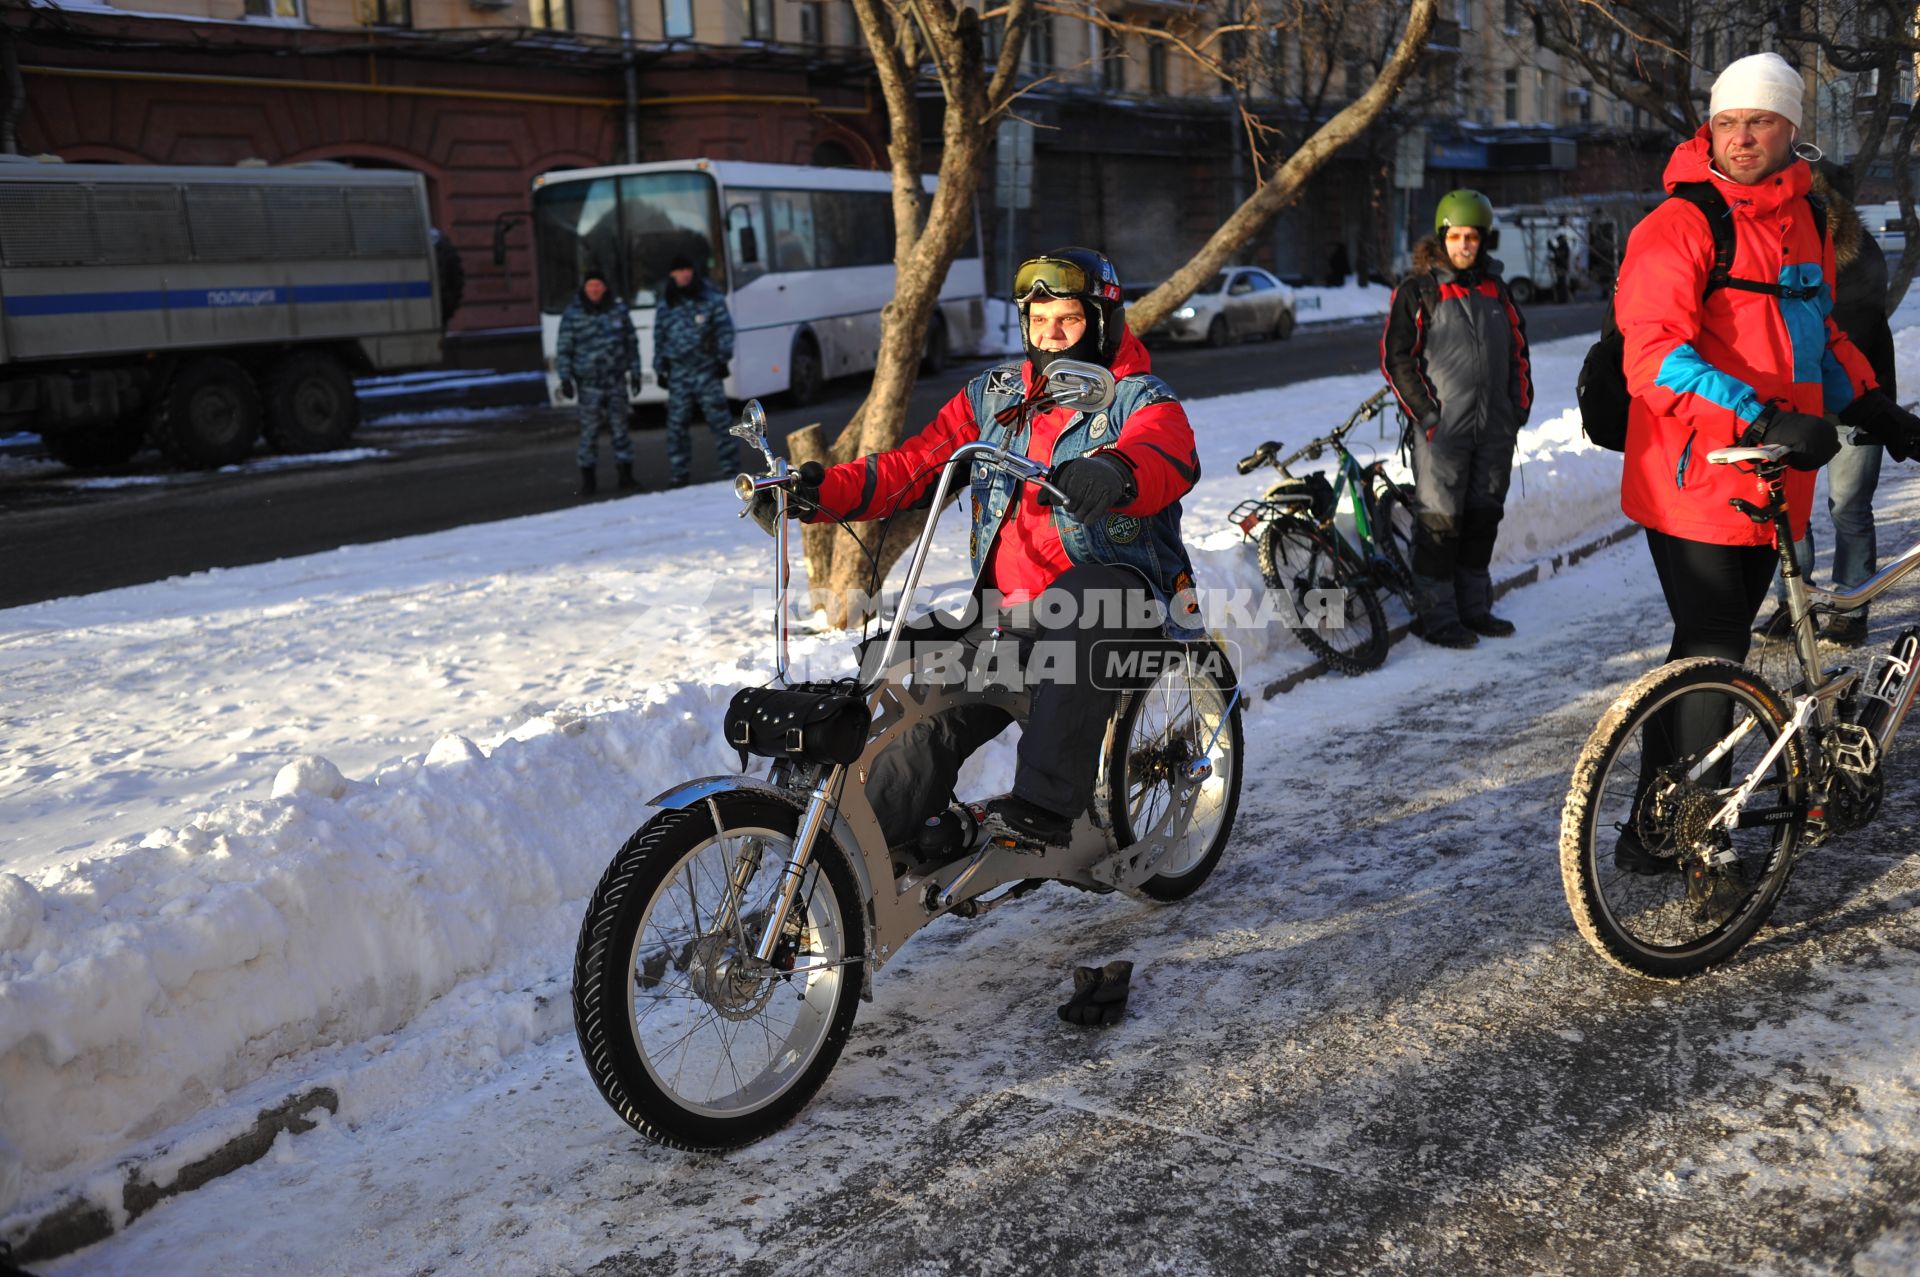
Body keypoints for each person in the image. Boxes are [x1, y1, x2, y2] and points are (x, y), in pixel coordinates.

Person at [773, 247, 1205, 853]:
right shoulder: (997, 395)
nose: (1050, 335)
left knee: (1085, 601)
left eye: (1069, 321)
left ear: (1102, 323)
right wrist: (821, 495)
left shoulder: (1137, 396)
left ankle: (1045, 805)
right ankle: (859, 862)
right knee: (914, 684)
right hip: (1010, 617)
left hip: (1121, 606)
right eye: (1039, 321)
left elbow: (1166, 452)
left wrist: (1114, 470)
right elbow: (916, 465)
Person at [1612, 52, 1920, 870]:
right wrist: (1760, 411)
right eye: (1727, 122)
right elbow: (1653, 356)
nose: (1742, 137)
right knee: (1713, 642)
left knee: (1712, 652)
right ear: (1709, 129)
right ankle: (1680, 829)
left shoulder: (1808, 222)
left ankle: (1656, 821)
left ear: (1793, 130)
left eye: (1759, 121)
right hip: (1697, 470)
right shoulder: (1680, 224)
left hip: (1773, 474)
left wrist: (1873, 405)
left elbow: (1819, 335)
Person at [1381, 188, 1534, 649]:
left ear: (1483, 240)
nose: (1464, 245)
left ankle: (1474, 608)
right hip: (1442, 433)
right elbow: (1397, 359)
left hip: (1494, 430)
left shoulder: (1496, 289)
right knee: (1441, 524)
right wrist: (1428, 416)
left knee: (1483, 518)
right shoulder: (1420, 290)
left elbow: (1519, 354)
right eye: (1456, 236)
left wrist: (1517, 409)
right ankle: (1438, 617)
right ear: (1442, 237)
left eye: (1473, 237)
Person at [1755, 159, 1898, 647]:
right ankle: (1796, 604)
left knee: (1849, 508)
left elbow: (1846, 335)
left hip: (1855, 400)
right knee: (1790, 511)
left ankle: (1851, 606)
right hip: (1799, 406)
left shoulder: (1857, 255)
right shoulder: (1775, 253)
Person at [654, 255, 738, 489]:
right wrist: (660, 367)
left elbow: (724, 331)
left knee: (720, 422)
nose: (685, 274)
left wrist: (722, 358)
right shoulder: (666, 303)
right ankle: (679, 472)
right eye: (680, 270)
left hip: (706, 370)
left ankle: (730, 467)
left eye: (688, 269)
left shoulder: (710, 299)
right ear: (672, 274)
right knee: (677, 425)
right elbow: (659, 337)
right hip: (679, 374)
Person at [553, 268, 639, 497]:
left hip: (615, 381)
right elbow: (564, 349)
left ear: (605, 287)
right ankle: (588, 480)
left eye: (598, 285)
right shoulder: (573, 314)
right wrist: (565, 378)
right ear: (584, 288)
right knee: (589, 433)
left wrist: (636, 373)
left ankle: (626, 475)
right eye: (590, 285)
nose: (594, 289)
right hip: (588, 384)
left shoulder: (618, 310)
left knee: (620, 430)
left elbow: (631, 343)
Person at [1549, 234, 1573, 304]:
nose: (1558, 242)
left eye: (1558, 240)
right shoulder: (1562, 247)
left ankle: (1562, 300)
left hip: (1562, 268)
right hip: (1560, 267)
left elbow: (1560, 256)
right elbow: (1556, 252)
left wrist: (1554, 257)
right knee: (1560, 283)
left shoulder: (1564, 247)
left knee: (1562, 284)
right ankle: (1561, 299)